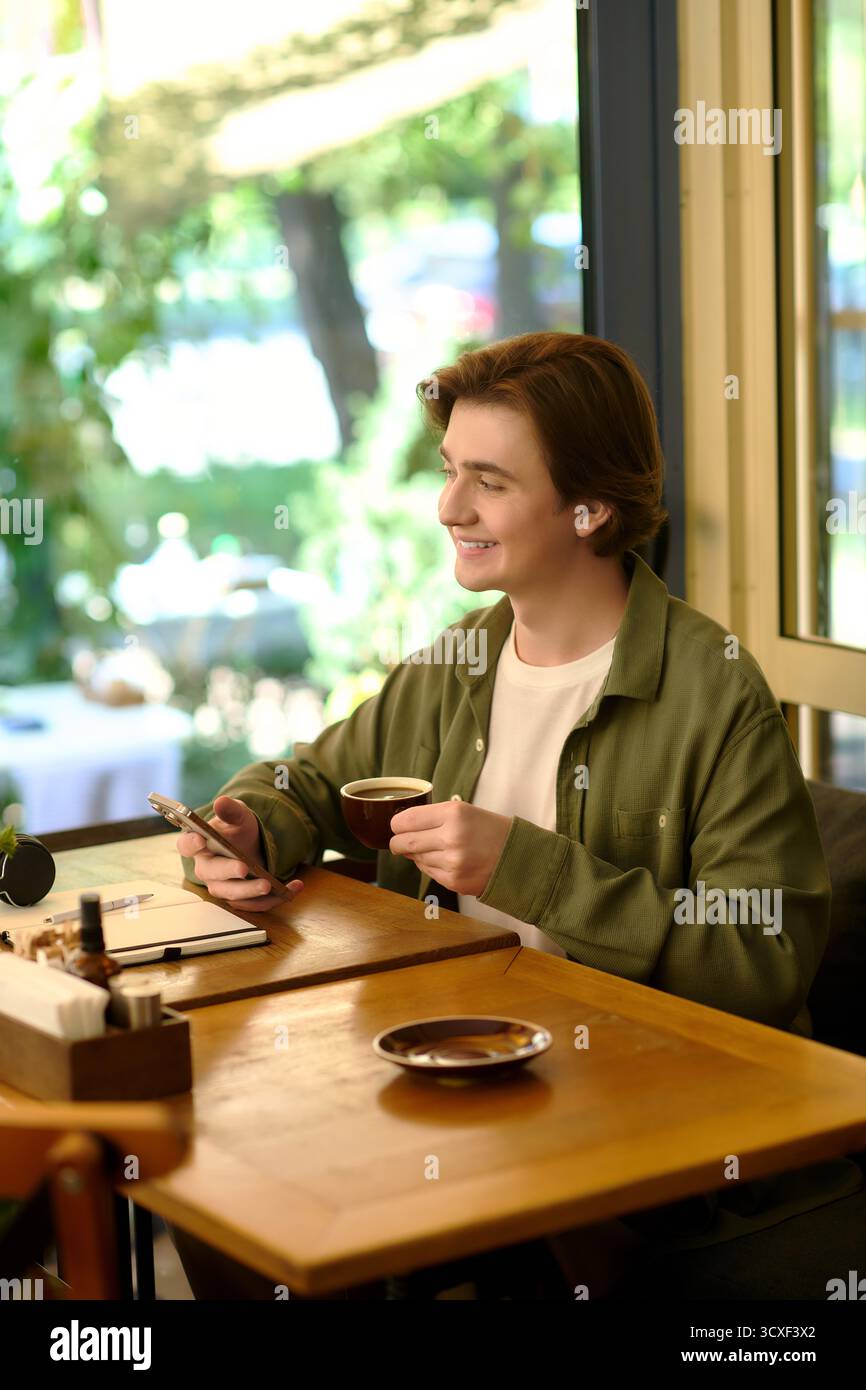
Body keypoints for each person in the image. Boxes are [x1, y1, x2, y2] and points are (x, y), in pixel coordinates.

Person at [170, 331, 852, 1300]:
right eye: (451, 471)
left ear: (591, 507)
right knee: (216, 1175)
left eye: (487, 479)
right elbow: (310, 775)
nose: (449, 506)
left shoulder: (712, 690)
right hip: (457, 1092)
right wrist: (247, 821)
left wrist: (526, 868)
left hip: (643, 1132)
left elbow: (761, 952)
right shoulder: (465, 658)